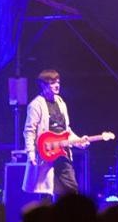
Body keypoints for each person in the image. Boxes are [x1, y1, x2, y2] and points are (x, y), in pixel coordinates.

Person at [22, 69, 89, 199]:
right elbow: (29, 131)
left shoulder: (60, 102)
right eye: (52, 83)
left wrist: (79, 142)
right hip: (45, 154)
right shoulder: (36, 105)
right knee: (46, 192)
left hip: (62, 152)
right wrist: (31, 154)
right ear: (43, 85)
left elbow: (66, 130)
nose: (57, 85)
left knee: (71, 187)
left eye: (58, 82)